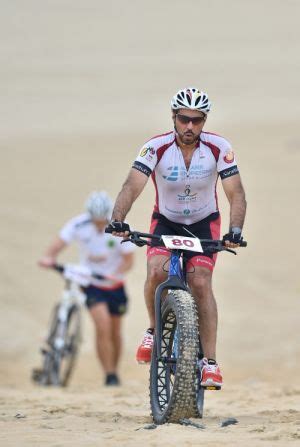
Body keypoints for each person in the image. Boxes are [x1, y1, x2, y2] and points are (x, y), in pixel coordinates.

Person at [106, 87, 247, 389]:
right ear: (174, 117)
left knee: (200, 282)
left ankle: (209, 362)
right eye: (184, 119)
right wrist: (118, 218)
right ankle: (153, 330)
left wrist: (235, 229)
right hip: (166, 222)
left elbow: (236, 193)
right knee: (156, 271)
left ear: (204, 121)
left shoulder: (218, 147)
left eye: (197, 121)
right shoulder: (155, 147)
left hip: (203, 223)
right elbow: (132, 185)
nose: (190, 127)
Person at [38, 191, 135, 386]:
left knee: (115, 332)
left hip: (114, 285)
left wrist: (114, 273)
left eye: (102, 221)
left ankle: (114, 371)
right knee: (103, 326)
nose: (99, 224)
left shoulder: (119, 228)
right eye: (95, 220)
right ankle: (109, 375)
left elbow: (128, 260)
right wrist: (49, 256)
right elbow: (60, 241)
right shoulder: (79, 224)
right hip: (91, 284)